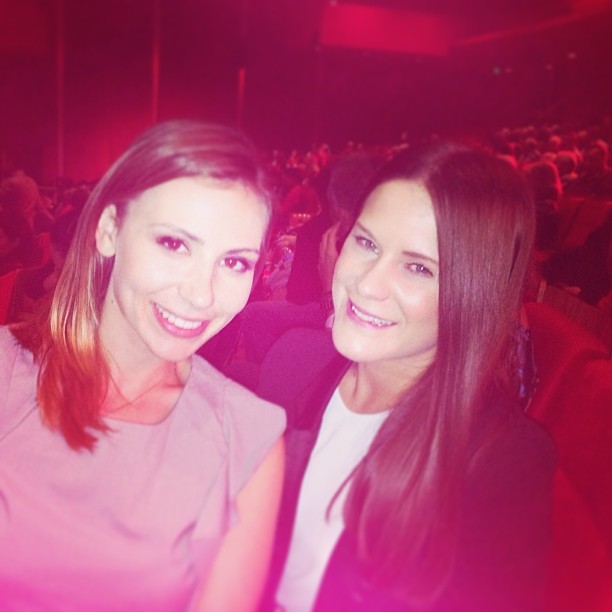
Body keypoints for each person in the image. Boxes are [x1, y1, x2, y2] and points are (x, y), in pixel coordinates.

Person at [249, 142, 556, 611]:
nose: (367, 283)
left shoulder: (500, 461)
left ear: (473, 291)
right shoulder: (293, 367)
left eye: (417, 267)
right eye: (367, 243)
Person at [0, 120, 285, 611]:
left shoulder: (246, 439)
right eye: (175, 244)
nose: (201, 294)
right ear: (109, 230)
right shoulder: (8, 373)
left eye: (235, 262)